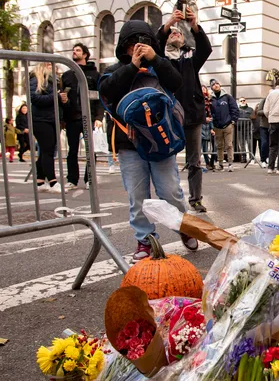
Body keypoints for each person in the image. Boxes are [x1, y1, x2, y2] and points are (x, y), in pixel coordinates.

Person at [97, 19, 195, 260]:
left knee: (170, 191)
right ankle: (145, 240)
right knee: (137, 195)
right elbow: (108, 91)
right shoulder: (114, 69)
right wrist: (132, 65)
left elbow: (176, 82)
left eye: (142, 42)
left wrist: (156, 59)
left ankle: (183, 226)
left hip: (161, 139)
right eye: (131, 43)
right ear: (123, 46)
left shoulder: (159, 67)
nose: (137, 47)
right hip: (128, 142)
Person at [157, 4, 212, 213]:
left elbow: (206, 48)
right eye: (172, 33)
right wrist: (169, 24)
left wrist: (194, 26)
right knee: (167, 158)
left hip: (192, 114)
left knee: (194, 160)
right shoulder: (160, 59)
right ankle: (170, 196)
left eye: (179, 32)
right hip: (169, 115)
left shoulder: (190, 56)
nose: (175, 34)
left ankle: (196, 199)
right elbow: (155, 42)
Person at [60, 43, 103, 189]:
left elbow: (99, 98)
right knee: (72, 150)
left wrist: (98, 117)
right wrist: (64, 106)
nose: (74, 52)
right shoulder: (67, 75)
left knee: (90, 150)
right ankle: (72, 180)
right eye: (73, 50)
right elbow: (62, 99)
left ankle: (89, 179)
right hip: (72, 118)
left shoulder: (94, 74)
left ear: (85, 54)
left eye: (78, 50)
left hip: (89, 117)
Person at [29, 62, 63, 193]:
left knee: (45, 151)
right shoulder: (36, 79)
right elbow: (35, 98)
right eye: (48, 63)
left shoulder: (54, 80)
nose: (52, 66)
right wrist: (56, 97)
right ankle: (53, 182)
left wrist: (62, 99)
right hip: (41, 120)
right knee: (48, 150)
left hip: (52, 119)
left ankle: (40, 180)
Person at [208, 79, 238, 172]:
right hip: (217, 126)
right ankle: (220, 163)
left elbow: (234, 109)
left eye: (217, 83)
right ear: (211, 87)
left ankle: (230, 163)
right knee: (219, 145)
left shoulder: (227, 97)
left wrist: (233, 120)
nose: (216, 85)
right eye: (213, 85)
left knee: (229, 145)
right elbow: (209, 112)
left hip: (227, 124)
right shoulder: (210, 99)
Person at [201, 85, 217, 171]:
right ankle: (207, 163)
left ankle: (212, 162)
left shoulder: (210, 100)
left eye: (205, 88)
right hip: (201, 124)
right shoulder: (198, 99)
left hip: (209, 123)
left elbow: (210, 114)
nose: (203, 90)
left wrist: (211, 128)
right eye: (202, 88)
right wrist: (204, 118)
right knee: (203, 146)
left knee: (214, 146)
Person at [256, 97, 270, 168]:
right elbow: (258, 112)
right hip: (264, 125)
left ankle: (269, 158)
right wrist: (267, 111)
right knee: (264, 142)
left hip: (273, 124)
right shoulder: (264, 100)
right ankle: (263, 160)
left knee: (272, 143)